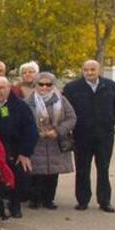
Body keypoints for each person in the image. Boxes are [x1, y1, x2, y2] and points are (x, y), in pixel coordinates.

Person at [63, 60, 115, 213]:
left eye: (92, 69)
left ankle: (105, 201)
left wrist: (114, 118)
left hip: (105, 135)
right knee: (82, 169)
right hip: (81, 135)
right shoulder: (72, 88)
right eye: (86, 69)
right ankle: (83, 200)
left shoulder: (110, 86)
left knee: (103, 168)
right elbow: (65, 109)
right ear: (82, 70)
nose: (89, 72)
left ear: (99, 70)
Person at [0, 76, 38, 219]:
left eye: (2, 88)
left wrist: (24, 153)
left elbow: (31, 131)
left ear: (9, 88)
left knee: (20, 173)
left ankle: (15, 204)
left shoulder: (21, 106)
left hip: (14, 150)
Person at [25, 72, 77, 210]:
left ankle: (48, 199)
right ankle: (34, 198)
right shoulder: (28, 101)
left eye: (48, 84)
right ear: (35, 85)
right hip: (37, 142)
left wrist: (58, 131)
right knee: (36, 171)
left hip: (55, 141)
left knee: (53, 172)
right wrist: (36, 132)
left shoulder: (62, 100)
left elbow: (72, 118)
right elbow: (23, 121)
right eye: (41, 84)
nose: (44, 87)